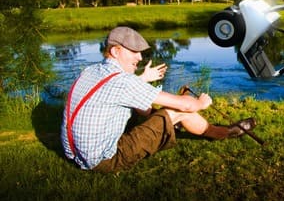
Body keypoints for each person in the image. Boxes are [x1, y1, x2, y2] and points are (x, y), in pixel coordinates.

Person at [61, 26, 257, 172]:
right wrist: (200, 103)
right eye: (133, 51)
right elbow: (186, 104)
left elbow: (118, 91)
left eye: (140, 52)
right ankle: (224, 132)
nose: (139, 57)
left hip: (73, 153)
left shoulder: (92, 71)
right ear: (115, 51)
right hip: (104, 160)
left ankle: (177, 125)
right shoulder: (124, 82)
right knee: (179, 110)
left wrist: (143, 79)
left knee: (155, 110)